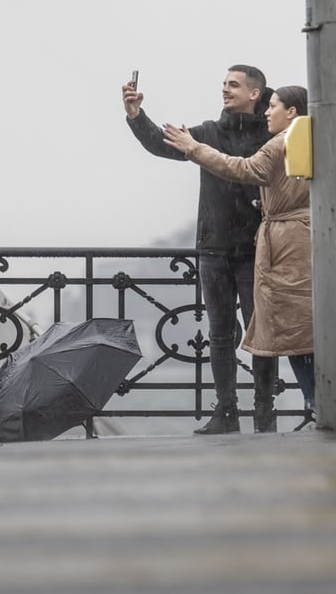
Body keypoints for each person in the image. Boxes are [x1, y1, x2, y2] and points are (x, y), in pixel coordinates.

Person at [123, 66, 273, 434]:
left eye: (233, 85)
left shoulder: (270, 136)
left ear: (255, 93)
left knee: (263, 335)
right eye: (223, 83)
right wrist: (136, 115)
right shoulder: (209, 132)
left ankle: (264, 412)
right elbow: (161, 144)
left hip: (256, 250)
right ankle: (226, 412)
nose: (224, 89)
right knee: (220, 333)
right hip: (214, 249)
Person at [163, 85, 316, 430]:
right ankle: (295, 404)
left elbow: (244, 169)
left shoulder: (280, 142)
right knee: (296, 326)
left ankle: (312, 400)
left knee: (289, 327)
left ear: (291, 111)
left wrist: (195, 149)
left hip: (286, 245)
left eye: (273, 105)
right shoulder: (306, 139)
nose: (267, 112)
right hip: (296, 237)